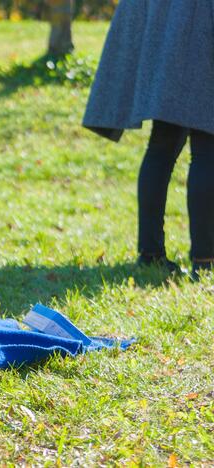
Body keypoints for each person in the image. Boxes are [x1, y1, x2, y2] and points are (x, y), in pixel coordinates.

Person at [82, 0, 214, 280]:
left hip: (169, 43)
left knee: (162, 148)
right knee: (207, 149)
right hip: (201, 39)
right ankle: (205, 259)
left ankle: (150, 253)